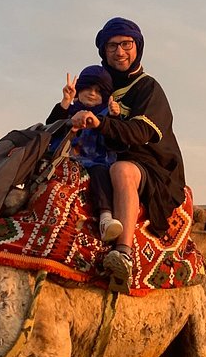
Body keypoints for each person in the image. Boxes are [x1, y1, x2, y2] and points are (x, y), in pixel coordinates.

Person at [69, 19, 187, 289]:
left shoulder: (148, 89)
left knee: (121, 171)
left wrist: (102, 124)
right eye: (112, 46)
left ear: (138, 47)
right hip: (98, 157)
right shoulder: (99, 86)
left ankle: (123, 254)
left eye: (126, 44)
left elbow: (140, 133)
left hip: (149, 164)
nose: (119, 52)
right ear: (103, 51)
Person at [46, 65, 121, 242]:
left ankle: (105, 218)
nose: (92, 93)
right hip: (64, 159)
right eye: (87, 88)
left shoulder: (106, 115)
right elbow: (50, 129)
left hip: (96, 162)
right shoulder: (69, 110)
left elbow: (117, 143)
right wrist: (65, 101)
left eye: (98, 90)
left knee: (101, 174)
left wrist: (114, 118)